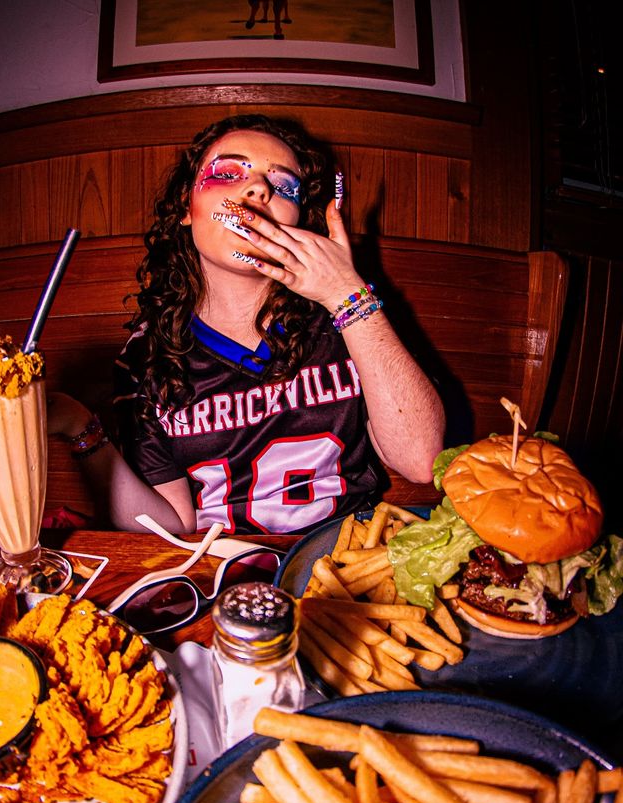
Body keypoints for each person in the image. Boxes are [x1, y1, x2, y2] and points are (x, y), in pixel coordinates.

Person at [50, 114, 445, 535]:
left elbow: (420, 460)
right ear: (186, 206)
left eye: (284, 186)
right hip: (223, 572)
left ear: (296, 219)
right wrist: (79, 427)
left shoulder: (346, 316)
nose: (259, 188)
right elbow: (170, 524)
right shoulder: (148, 356)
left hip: (345, 560)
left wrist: (347, 294)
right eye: (228, 172)